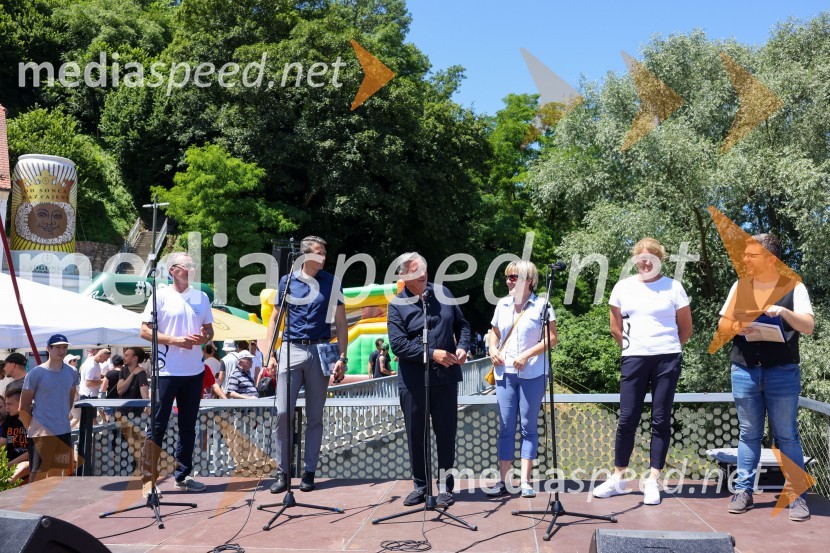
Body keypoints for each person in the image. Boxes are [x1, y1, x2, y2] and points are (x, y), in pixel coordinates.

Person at [717, 234, 814, 521]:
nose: (745, 260)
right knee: (748, 434)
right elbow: (723, 323)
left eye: (751, 255)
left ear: (771, 258)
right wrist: (738, 325)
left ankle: (797, 496)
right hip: (745, 369)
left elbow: (808, 326)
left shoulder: (794, 287)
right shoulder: (739, 285)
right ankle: (744, 491)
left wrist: (783, 312)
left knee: (787, 435)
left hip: (782, 371)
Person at [592, 238, 692, 506]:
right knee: (627, 418)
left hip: (667, 359)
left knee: (660, 419)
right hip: (633, 358)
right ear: (635, 260)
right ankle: (618, 477)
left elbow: (686, 328)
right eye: (641, 258)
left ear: (660, 259)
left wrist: (667, 348)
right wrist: (632, 347)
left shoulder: (674, 287)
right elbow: (615, 327)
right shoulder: (623, 287)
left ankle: (653, 480)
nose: (646, 262)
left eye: (652, 258)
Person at [387, 252, 471, 508]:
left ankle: (446, 487)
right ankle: (421, 486)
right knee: (417, 435)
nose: (423, 275)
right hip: (413, 381)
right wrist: (431, 354)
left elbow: (463, 326)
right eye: (415, 272)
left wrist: (464, 347)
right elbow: (398, 345)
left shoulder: (443, 293)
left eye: (424, 269)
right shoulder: (396, 305)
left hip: (445, 378)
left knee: (446, 433)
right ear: (403, 277)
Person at [265, 236, 347, 494]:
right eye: (319, 253)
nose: (323, 257)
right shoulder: (287, 281)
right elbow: (275, 318)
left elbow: (342, 323)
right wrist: (270, 354)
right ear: (305, 256)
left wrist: (343, 357)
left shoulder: (332, 281)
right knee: (282, 413)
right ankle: (283, 471)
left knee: (315, 417)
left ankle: (309, 471)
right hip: (292, 348)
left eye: (325, 252)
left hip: (321, 349)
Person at [139, 252, 214, 497]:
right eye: (186, 265)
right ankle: (148, 480)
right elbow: (144, 332)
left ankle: (183, 476)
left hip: (194, 371)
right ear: (172, 270)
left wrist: (203, 338)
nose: (191, 269)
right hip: (166, 371)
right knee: (157, 426)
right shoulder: (159, 296)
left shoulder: (201, 297)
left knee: (188, 427)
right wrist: (175, 341)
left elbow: (209, 331)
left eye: (194, 265)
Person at [486, 261, 557, 498]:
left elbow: (552, 339)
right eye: (507, 277)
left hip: (532, 373)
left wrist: (527, 355)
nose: (509, 281)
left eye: (514, 277)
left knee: (528, 427)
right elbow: (493, 333)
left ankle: (525, 481)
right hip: (504, 373)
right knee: (506, 427)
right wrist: (492, 350)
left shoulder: (542, 305)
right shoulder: (502, 304)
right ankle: (503, 481)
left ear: (529, 280)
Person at [18, 334, 80, 482]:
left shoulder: (72, 372)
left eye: (64, 347)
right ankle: (33, 504)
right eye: (58, 347)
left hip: (63, 430)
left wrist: (62, 417)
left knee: (57, 474)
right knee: (37, 474)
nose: (62, 350)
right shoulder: (36, 373)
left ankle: (52, 505)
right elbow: (23, 407)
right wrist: (32, 429)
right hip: (41, 432)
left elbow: (69, 400)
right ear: (48, 349)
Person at [1, 386, 30, 485]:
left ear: (21, 403)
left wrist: (8, 465)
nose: (6, 407)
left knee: (22, 468)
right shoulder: (9, 418)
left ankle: (5, 488)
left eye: (9, 404)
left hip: (27, 461)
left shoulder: (33, 418)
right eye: (6, 404)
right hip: (9, 459)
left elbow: (33, 452)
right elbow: (2, 443)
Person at [117, 348, 150, 418]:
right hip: (121, 412)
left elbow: (145, 395)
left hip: (134, 414)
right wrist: (133, 374)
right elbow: (120, 390)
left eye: (126, 355)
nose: (123, 358)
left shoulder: (141, 374)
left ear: (135, 358)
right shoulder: (124, 369)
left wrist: (149, 409)